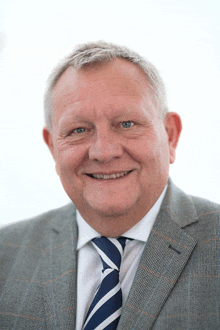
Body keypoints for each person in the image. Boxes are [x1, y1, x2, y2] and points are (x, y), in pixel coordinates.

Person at [0, 41, 219, 330]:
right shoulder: (6, 253)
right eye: (79, 130)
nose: (103, 152)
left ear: (170, 136)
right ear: (53, 147)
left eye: (126, 124)